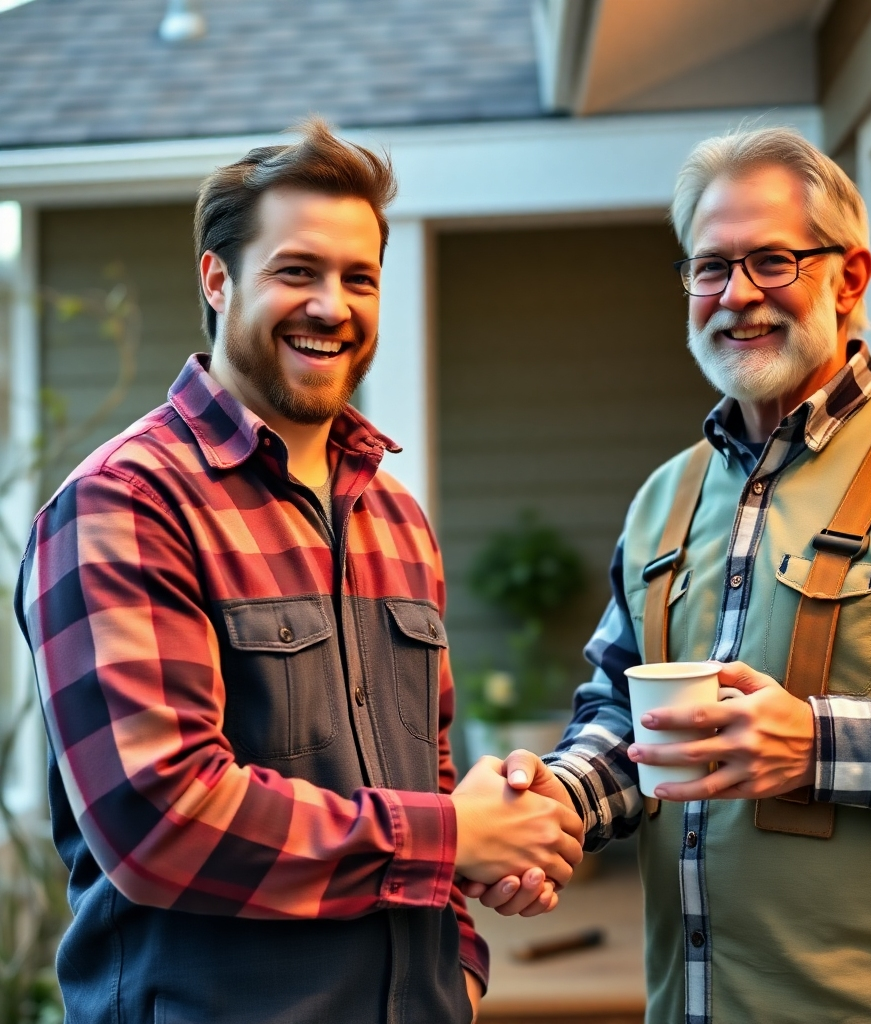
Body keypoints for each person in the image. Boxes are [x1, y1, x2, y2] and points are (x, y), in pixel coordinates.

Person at [14, 118, 583, 1024]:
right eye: (296, 271)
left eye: (360, 278)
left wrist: (468, 929)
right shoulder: (126, 505)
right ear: (217, 278)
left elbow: (430, 778)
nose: (332, 305)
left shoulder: (397, 518)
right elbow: (161, 818)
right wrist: (452, 838)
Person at [474, 127, 871, 1023]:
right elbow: (623, 715)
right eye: (709, 267)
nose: (736, 296)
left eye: (772, 261)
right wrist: (547, 810)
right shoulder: (665, 498)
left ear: (849, 278)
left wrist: (818, 746)